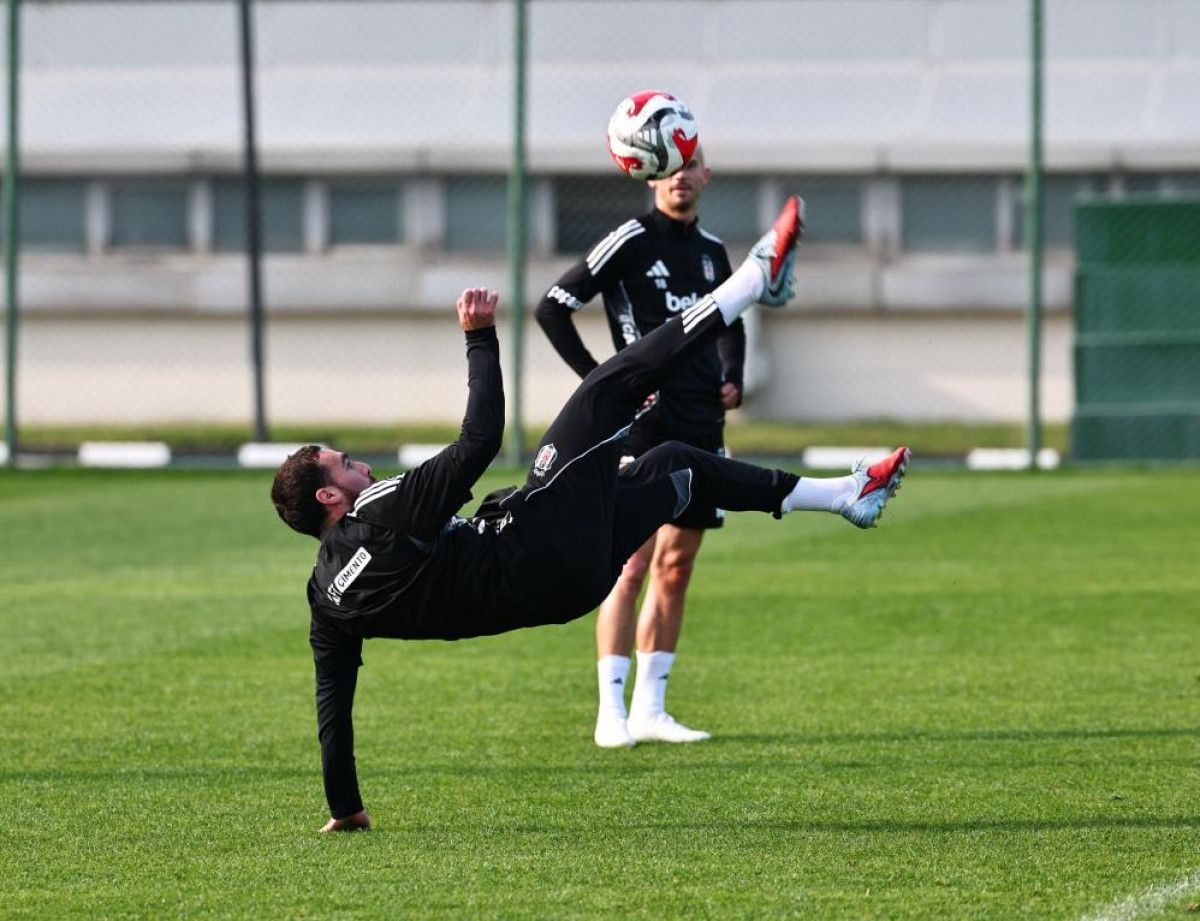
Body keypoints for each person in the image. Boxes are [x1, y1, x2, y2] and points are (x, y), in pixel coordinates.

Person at [271, 198, 910, 832]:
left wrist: (344, 807)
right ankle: (751, 282)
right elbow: (479, 440)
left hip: (569, 589)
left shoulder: (325, 599)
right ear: (329, 497)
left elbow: (333, 706)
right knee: (603, 389)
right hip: (538, 539)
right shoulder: (379, 511)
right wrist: (479, 339)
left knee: (675, 466)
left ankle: (844, 495)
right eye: (345, 464)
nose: (361, 467)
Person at [535, 147, 743, 748]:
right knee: (629, 565)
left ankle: (653, 709)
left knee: (676, 569)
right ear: (650, 174)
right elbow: (552, 308)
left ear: (706, 176)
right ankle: (611, 713)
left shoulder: (713, 252)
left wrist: (733, 376)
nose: (681, 176)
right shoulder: (629, 239)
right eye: (671, 166)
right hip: (642, 427)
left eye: (692, 165)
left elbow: (732, 321)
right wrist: (601, 381)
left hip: (702, 423)